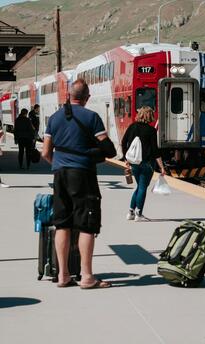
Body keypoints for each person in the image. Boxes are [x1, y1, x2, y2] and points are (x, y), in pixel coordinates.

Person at [42, 78, 116, 289]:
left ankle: (63, 275)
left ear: (68, 95)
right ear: (87, 98)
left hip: (60, 175)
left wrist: (58, 164)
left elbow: (46, 152)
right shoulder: (91, 117)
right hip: (82, 175)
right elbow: (108, 149)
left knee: (62, 223)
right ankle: (87, 277)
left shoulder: (54, 118)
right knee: (86, 224)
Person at [121, 106, 166, 222]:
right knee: (142, 188)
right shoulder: (151, 131)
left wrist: (126, 158)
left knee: (139, 187)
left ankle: (130, 212)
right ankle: (138, 214)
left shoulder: (132, 127)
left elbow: (123, 142)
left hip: (134, 163)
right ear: (150, 116)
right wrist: (161, 167)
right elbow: (155, 151)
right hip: (147, 164)